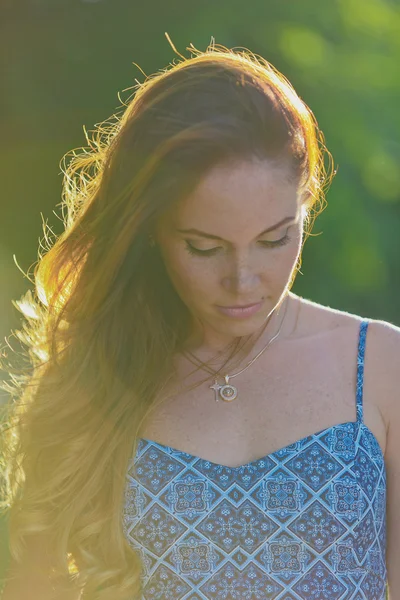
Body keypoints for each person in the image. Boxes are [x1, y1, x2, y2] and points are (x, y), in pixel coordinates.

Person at [0, 39, 399, 600]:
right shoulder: (92, 377)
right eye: (205, 247)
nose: (243, 279)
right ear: (151, 230)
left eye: (274, 239)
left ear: (307, 206)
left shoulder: (384, 365)